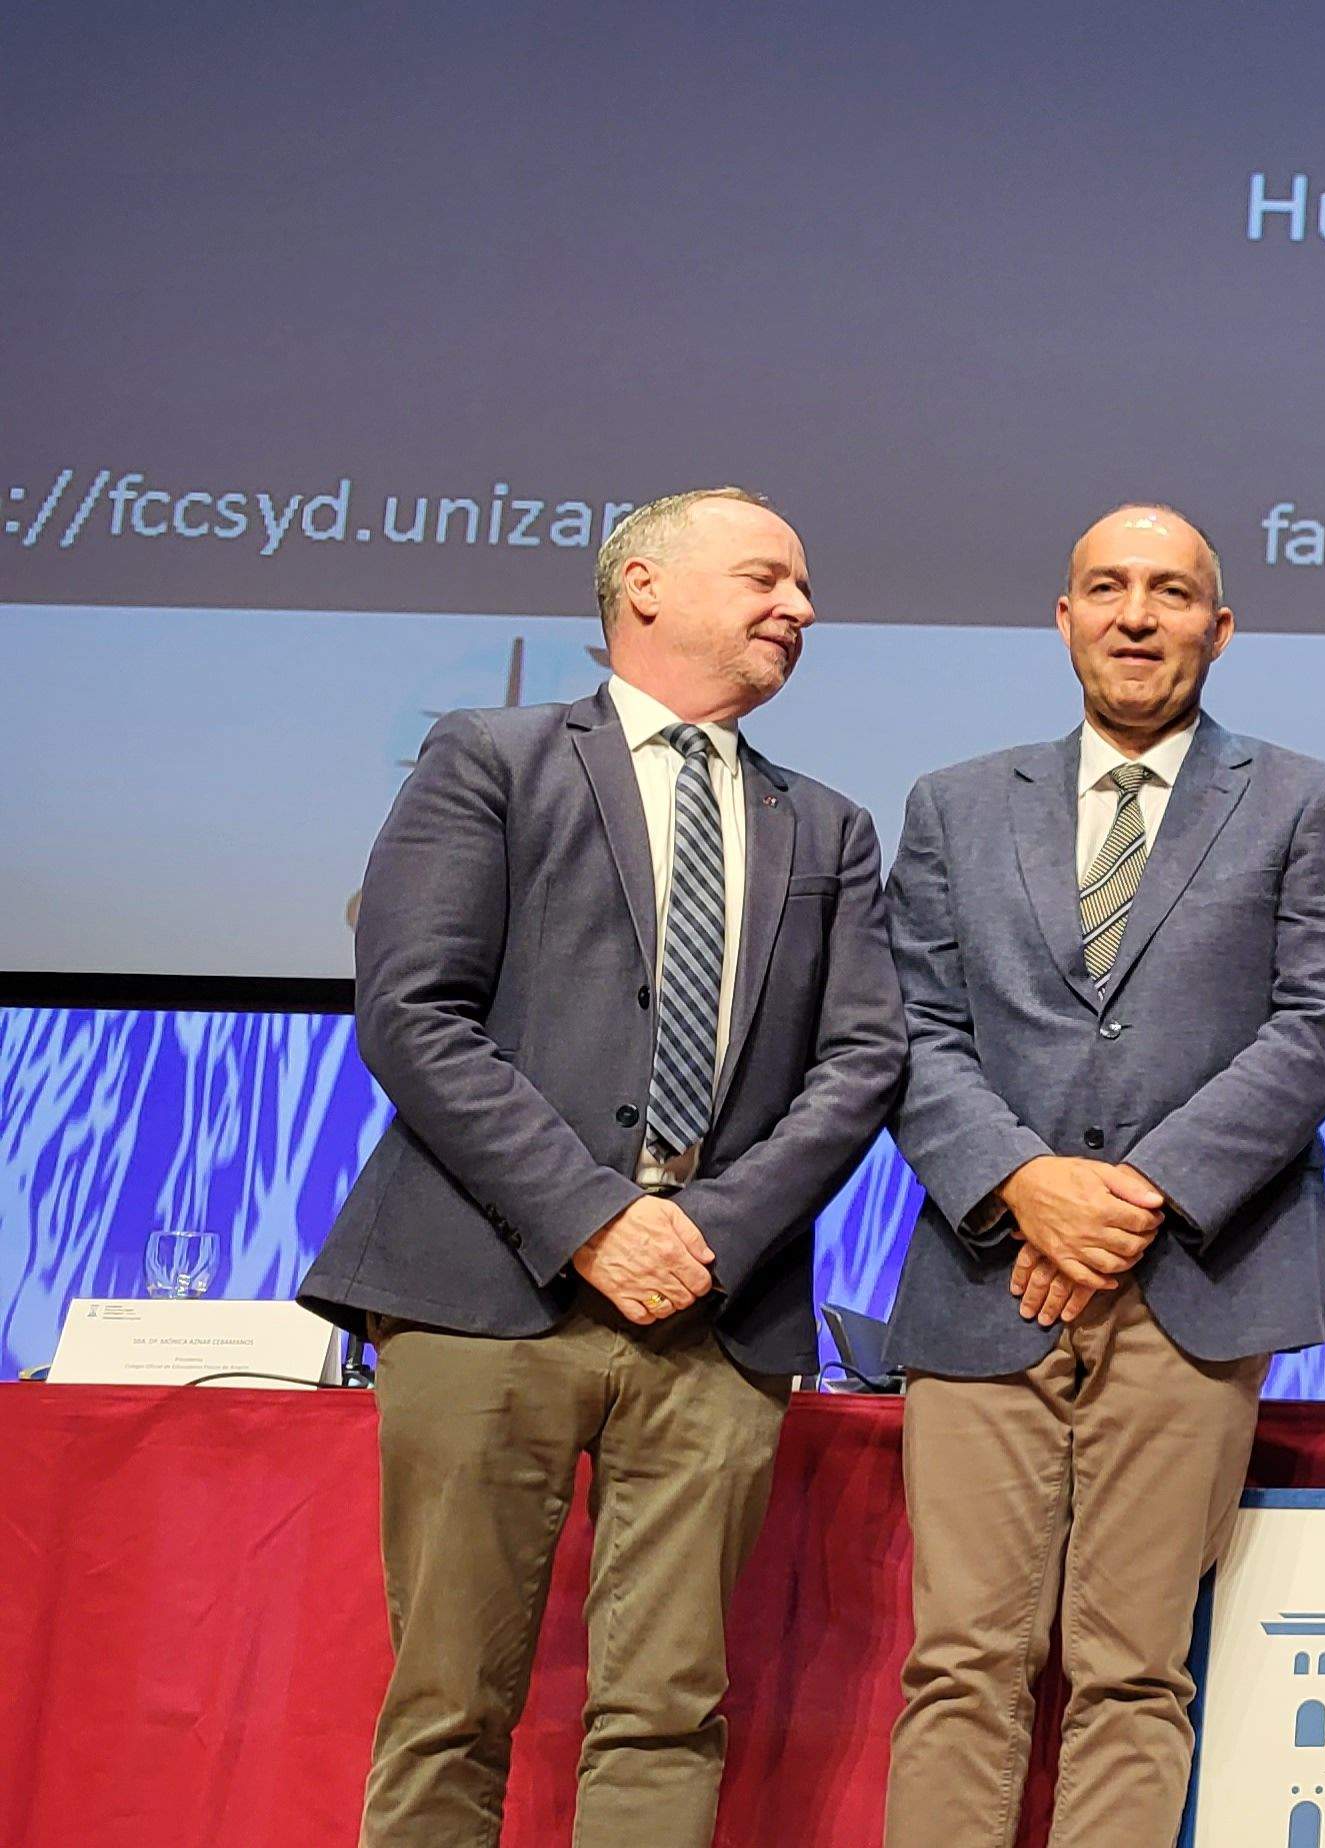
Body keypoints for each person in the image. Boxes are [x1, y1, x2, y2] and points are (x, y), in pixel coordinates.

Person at [297, 486, 903, 1845]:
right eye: (766, 577)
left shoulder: (829, 826)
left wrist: (713, 1230)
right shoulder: (491, 758)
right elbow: (414, 1013)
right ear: (644, 586)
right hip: (484, 1290)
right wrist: (589, 1218)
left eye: (802, 587)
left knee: (668, 1712)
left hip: (713, 1311)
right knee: (450, 1702)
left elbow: (863, 1060)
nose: (800, 609)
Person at [877, 503, 1325, 1845]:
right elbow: (910, 1030)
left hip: (1196, 1278)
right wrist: (1024, 1185)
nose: (1138, 616)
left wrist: (1131, 1198)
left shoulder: (1304, 797)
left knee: (1134, 1672)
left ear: (1221, 627)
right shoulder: (953, 805)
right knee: (961, 1665)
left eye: (1170, 592)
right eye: (1107, 588)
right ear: (1064, 618)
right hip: (987, 1273)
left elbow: (1315, 1028)